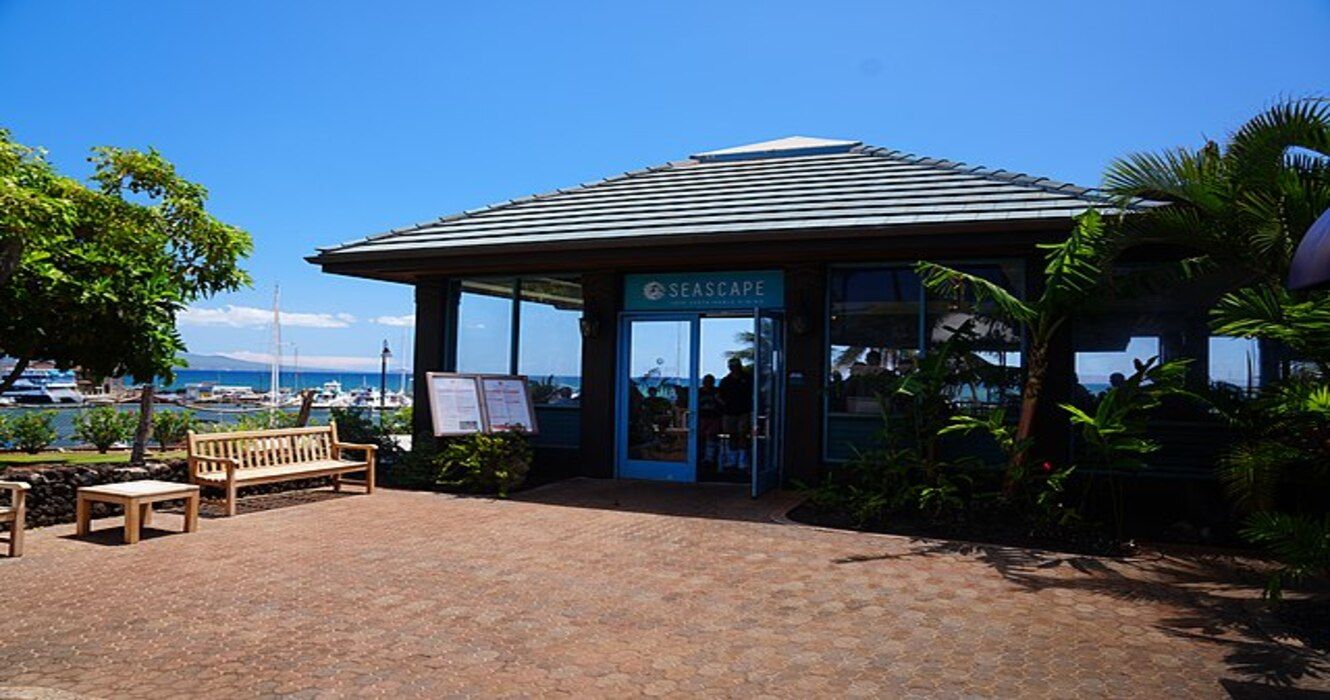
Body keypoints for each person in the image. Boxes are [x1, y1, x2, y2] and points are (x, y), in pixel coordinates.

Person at [718, 357, 753, 471]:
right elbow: (719, 396)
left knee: (742, 434)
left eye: (735, 365)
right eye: (731, 366)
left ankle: (743, 461)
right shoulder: (726, 380)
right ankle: (733, 460)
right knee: (732, 435)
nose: (733, 368)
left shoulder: (748, 378)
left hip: (744, 411)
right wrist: (724, 404)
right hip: (729, 412)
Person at [697, 374, 722, 469]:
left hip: (714, 417)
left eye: (710, 381)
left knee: (712, 436)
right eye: (706, 381)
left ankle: (709, 458)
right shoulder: (699, 392)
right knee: (700, 437)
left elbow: (722, 403)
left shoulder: (717, 391)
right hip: (701, 417)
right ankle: (700, 456)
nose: (707, 383)